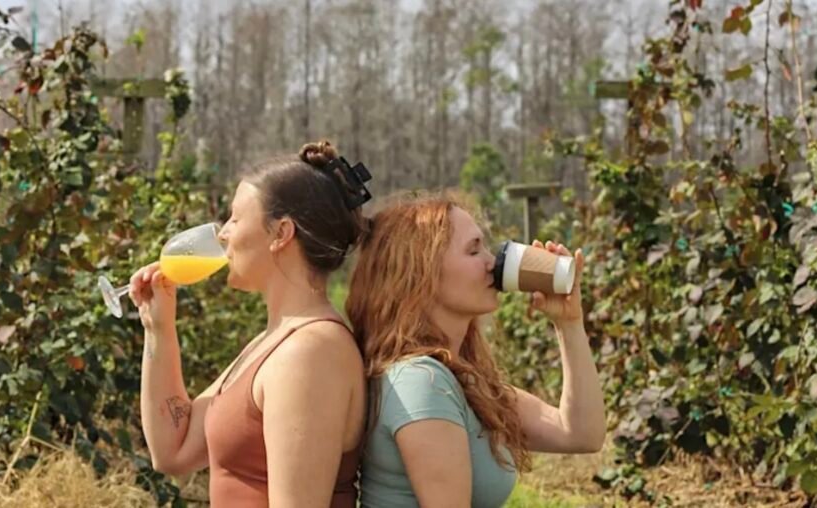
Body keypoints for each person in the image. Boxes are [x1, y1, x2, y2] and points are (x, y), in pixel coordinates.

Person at [130, 141, 371, 507]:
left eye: (235, 218)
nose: (223, 234)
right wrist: (158, 328)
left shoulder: (310, 353)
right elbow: (172, 451)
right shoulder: (275, 341)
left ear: (281, 233)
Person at [346, 191, 606, 508]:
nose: (492, 263)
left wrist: (569, 322)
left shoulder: (461, 377)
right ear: (421, 274)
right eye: (473, 250)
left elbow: (580, 433)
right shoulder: (421, 381)